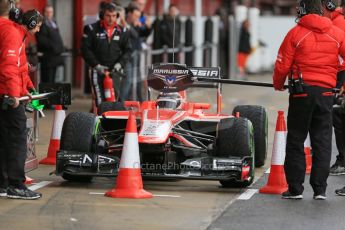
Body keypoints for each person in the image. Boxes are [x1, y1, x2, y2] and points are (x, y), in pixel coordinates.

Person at [273, 0, 345, 200]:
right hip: (326, 93)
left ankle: (295, 189)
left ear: (303, 10)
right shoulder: (336, 33)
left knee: (296, 139)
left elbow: (282, 63)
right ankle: (320, 190)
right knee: (322, 140)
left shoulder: (295, 33)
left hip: (301, 92)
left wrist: (278, 84)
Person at [0, 2, 43, 200]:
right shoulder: (13, 34)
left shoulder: (16, 34)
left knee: (4, 139)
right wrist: (14, 95)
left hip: (7, 93)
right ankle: (16, 184)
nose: (39, 29)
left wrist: (28, 89)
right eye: (39, 25)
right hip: (8, 96)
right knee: (17, 139)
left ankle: (3, 183)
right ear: (32, 23)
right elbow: (9, 67)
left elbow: (20, 69)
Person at [81, 2, 131, 108]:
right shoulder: (91, 29)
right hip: (97, 70)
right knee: (99, 101)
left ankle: (112, 122)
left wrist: (120, 64)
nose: (111, 19)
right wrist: (96, 65)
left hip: (115, 71)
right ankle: (99, 122)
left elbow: (128, 51)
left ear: (117, 16)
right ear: (102, 15)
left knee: (114, 100)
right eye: (108, 15)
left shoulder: (123, 31)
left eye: (113, 16)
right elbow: (85, 49)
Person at [320, 0, 345, 176]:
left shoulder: (337, 23)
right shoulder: (335, 21)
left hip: (339, 75)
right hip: (336, 74)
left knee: (337, 115)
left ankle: (342, 160)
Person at [121, 2, 152, 102]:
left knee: (137, 79)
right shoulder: (123, 23)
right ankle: (120, 103)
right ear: (129, 14)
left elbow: (143, 34)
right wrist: (130, 26)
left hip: (136, 54)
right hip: (126, 56)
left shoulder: (135, 23)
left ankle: (136, 100)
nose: (137, 18)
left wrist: (148, 27)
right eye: (135, 16)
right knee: (128, 80)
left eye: (138, 16)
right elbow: (134, 35)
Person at [35, 5, 64, 83]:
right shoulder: (41, 24)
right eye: (47, 12)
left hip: (55, 57)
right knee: (47, 80)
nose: (49, 14)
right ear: (44, 13)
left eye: (51, 12)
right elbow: (41, 40)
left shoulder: (54, 23)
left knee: (53, 81)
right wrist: (54, 47)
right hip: (47, 58)